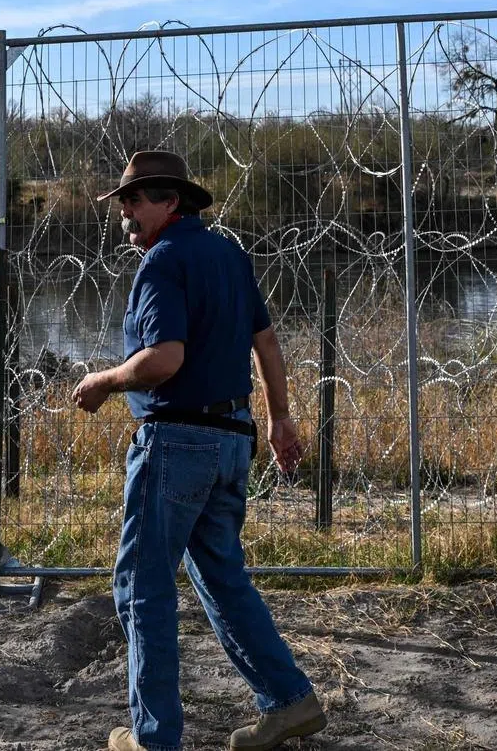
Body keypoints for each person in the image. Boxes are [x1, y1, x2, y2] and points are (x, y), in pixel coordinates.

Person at [72, 150, 326, 751]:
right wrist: (280, 418)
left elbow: (165, 361)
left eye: (138, 199)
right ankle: (291, 700)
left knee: (143, 585)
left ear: (171, 203)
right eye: (124, 202)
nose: (127, 212)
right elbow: (265, 342)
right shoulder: (228, 254)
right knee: (221, 577)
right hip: (233, 439)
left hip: (177, 442)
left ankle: (153, 739)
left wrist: (103, 383)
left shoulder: (163, 260)